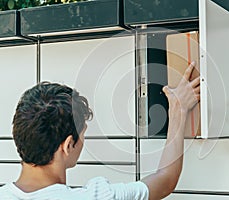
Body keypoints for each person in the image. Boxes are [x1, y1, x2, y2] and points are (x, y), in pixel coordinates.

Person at [0, 62, 200, 200]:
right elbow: (165, 180)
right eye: (83, 132)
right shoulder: (95, 197)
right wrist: (178, 109)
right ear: (68, 145)